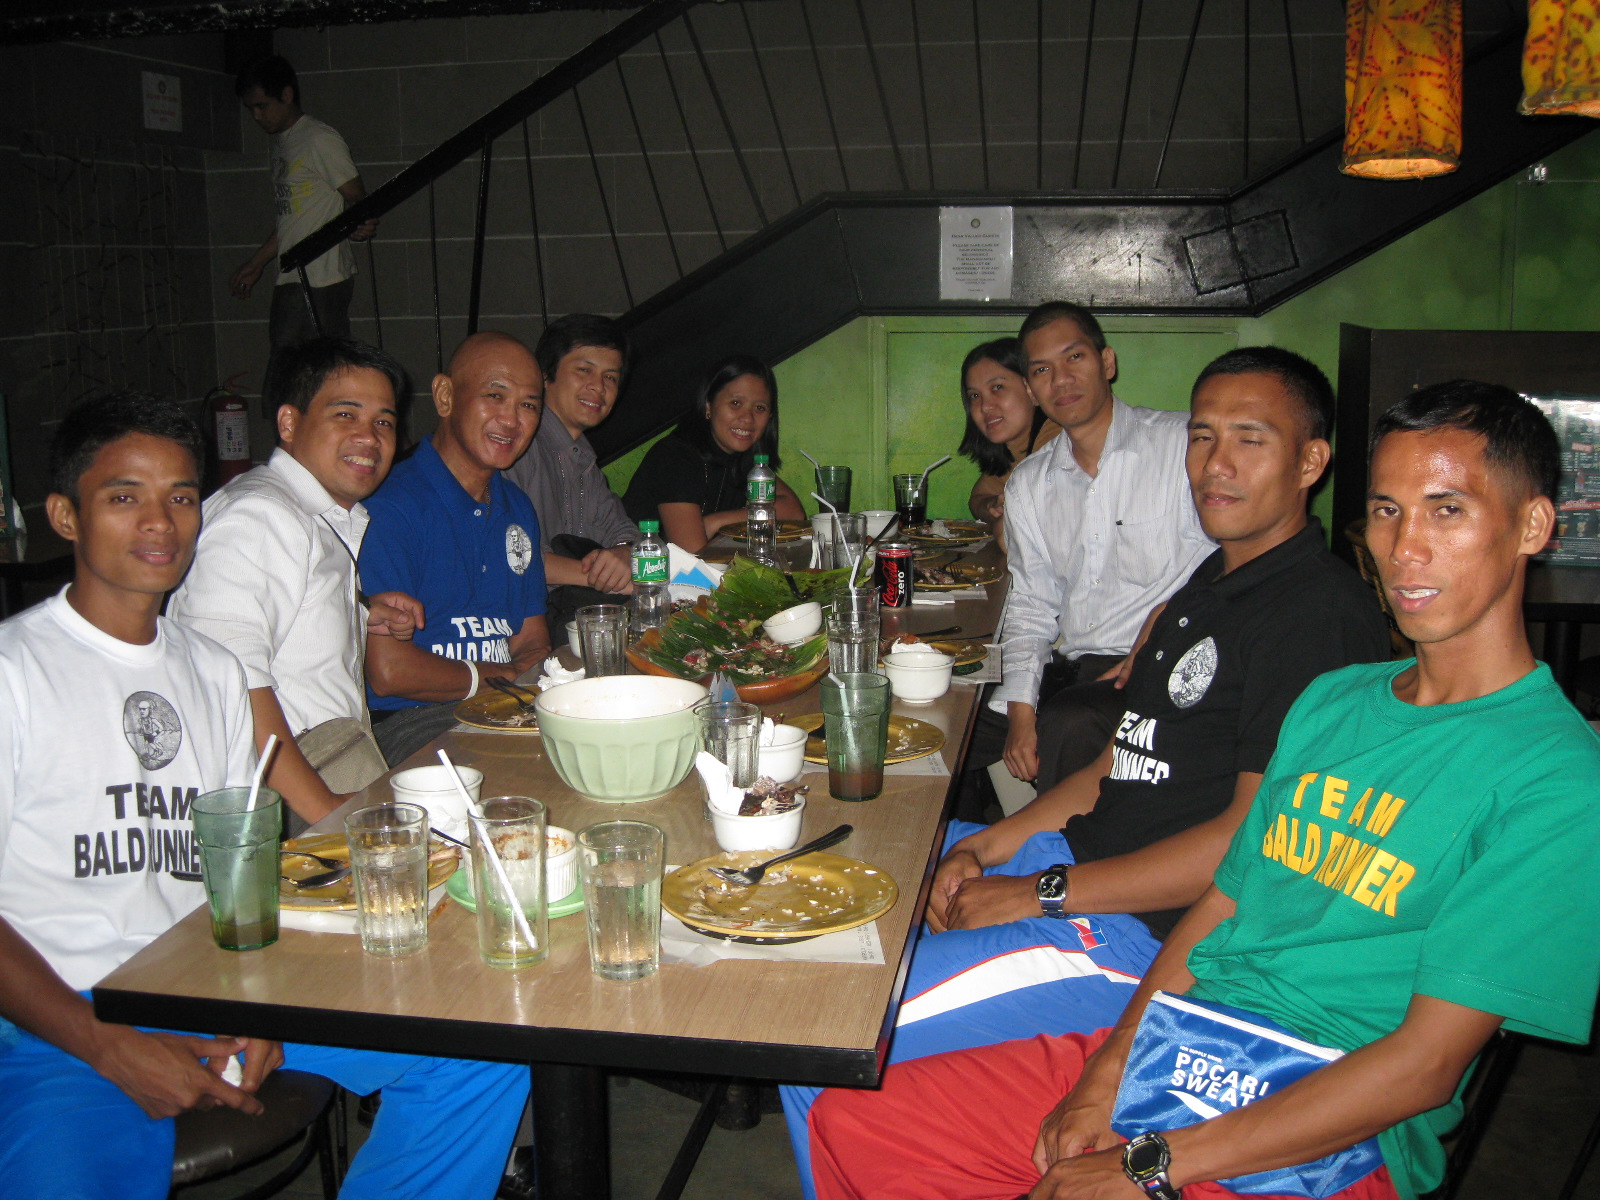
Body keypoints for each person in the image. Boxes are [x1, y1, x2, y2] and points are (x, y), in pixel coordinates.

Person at [806, 380, 1600, 1200]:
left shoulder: (1555, 777)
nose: (1405, 549)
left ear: (1533, 526)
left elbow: (1423, 1068)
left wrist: (1148, 1163)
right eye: (1388, 511)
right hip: (1190, 1037)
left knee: (851, 1045)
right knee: (850, 1117)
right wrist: (1109, 1071)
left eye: (1447, 511)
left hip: (1328, 1118)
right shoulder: (1337, 702)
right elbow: (1225, 898)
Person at [782, 347, 1390, 1191]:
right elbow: (1113, 766)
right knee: (854, 868)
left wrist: (1034, 894)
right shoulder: (1212, 583)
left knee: (818, 1033)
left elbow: (1250, 849)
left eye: (1250, 439)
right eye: (1203, 436)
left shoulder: (1317, 616)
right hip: (1078, 867)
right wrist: (986, 848)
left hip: (1142, 938)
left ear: (1311, 461)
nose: (1215, 464)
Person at [0, 392, 529, 1199]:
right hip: (57, 1017)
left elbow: (231, 874)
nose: (160, 522)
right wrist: (106, 1045)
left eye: (181, 497)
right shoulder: (15, 672)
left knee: (481, 1050)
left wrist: (252, 1005)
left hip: (199, 985)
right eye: (124, 497)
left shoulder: (214, 671)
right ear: (65, 516)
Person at [957, 301, 1215, 820]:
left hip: (1164, 663)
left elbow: (1233, 558)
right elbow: (1032, 605)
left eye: (1074, 357)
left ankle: (1069, 855)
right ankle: (950, 844)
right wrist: (1021, 713)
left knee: (1071, 722)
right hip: (1071, 667)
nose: (1061, 379)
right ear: (1033, 389)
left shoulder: (1180, 445)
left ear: (1107, 362)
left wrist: (1167, 626)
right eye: (1041, 369)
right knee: (950, 714)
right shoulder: (1031, 483)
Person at [168, 338, 419, 825]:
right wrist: (328, 816)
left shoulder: (310, 513)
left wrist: (358, 608)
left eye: (383, 422)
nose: (369, 437)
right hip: (282, 802)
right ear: (289, 423)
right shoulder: (260, 516)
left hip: (330, 766)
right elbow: (231, 682)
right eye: (345, 415)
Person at [360, 331, 551, 765]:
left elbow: (531, 638)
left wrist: (518, 679)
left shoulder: (516, 506)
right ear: (445, 396)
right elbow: (390, 672)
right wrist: (499, 676)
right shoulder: (389, 505)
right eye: (495, 396)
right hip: (415, 720)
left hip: (508, 703)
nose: (511, 420)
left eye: (528, 405)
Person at [229, 56, 377, 386]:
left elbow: (356, 195)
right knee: (297, 369)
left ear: (286, 95)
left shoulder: (317, 138)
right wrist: (257, 263)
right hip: (295, 271)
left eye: (262, 106)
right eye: (251, 109)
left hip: (321, 274)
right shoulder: (284, 144)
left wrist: (359, 221)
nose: (257, 116)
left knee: (308, 369)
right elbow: (292, 217)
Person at [504, 314, 641, 640]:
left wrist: (624, 553)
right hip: (519, 632)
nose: (599, 386)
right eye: (584, 370)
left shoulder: (583, 458)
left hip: (574, 619)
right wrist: (604, 576)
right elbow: (507, 557)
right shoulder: (515, 447)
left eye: (610, 377)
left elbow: (628, 534)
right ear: (545, 374)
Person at [621, 354, 805, 552]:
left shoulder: (743, 459)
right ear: (708, 405)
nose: (747, 418)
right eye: (736, 403)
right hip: (642, 569)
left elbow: (793, 511)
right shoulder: (675, 457)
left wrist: (717, 521)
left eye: (760, 408)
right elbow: (693, 555)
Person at [959, 336, 1060, 548]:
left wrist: (1004, 521)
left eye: (997, 387)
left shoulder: (1059, 440)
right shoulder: (1016, 447)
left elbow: (1013, 539)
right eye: (975, 396)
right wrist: (991, 506)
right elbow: (979, 496)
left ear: (1031, 389)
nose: (985, 406)